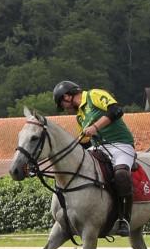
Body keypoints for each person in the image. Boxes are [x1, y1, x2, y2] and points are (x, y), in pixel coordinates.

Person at [54, 80, 135, 236]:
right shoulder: (80, 117)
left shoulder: (93, 95)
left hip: (121, 145)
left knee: (121, 175)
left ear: (67, 97)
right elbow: (85, 143)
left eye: (62, 104)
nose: (64, 108)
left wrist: (95, 127)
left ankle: (124, 218)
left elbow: (116, 110)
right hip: (98, 148)